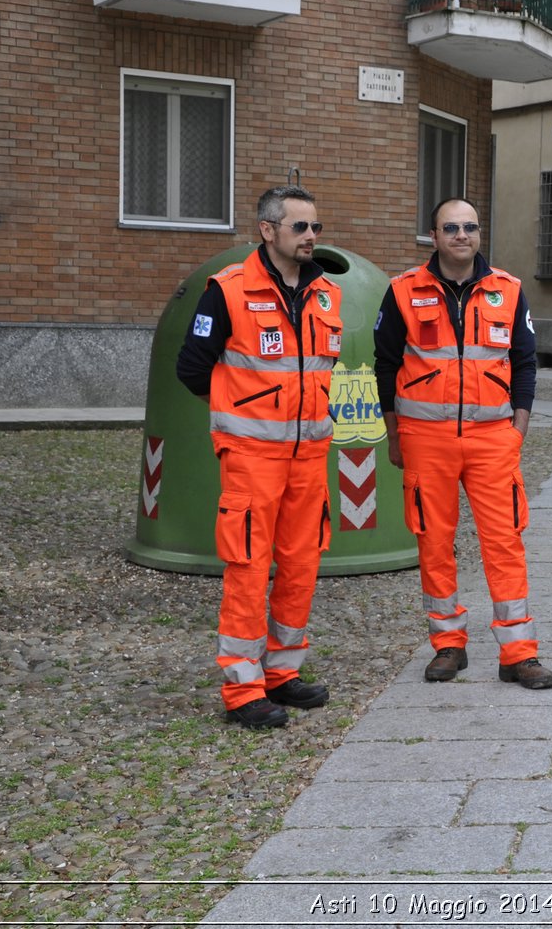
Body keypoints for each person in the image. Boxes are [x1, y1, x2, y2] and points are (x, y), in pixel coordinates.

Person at [176, 185, 342, 729]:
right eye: (300, 227)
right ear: (268, 230)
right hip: (252, 457)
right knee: (248, 568)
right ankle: (243, 688)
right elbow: (193, 368)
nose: (311, 236)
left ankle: (282, 672)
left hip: (308, 458)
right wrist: (239, 411)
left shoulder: (325, 294)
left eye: (315, 226)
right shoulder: (226, 291)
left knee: (301, 562)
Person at [373, 198, 552, 689]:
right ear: (433, 236)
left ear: (479, 235)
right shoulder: (403, 291)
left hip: (493, 439)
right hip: (425, 441)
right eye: (450, 227)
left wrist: (518, 429)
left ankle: (518, 653)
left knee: (505, 542)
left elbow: (525, 363)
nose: (461, 235)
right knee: (434, 542)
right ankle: (448, 645)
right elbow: (385, 366)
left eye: (470, 227)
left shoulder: (509, 291)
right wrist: (395, 436)